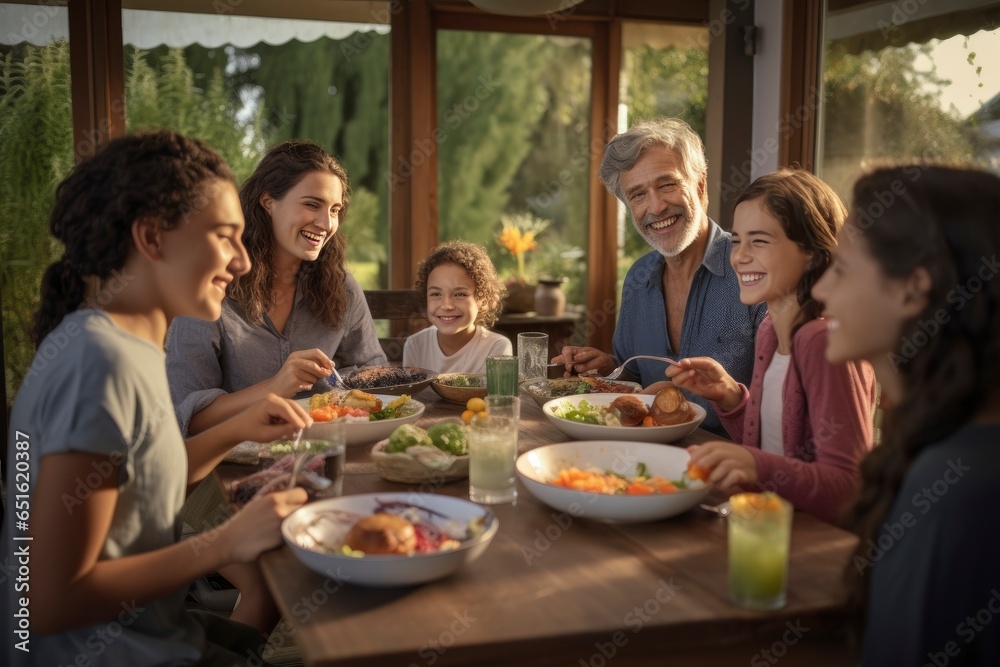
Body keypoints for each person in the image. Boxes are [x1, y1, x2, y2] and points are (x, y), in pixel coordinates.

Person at [1, 130, 310, 667]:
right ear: (152, 238)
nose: (243, 262)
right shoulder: (99, 362)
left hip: (161, 634)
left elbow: (139, 481)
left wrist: (237, 429)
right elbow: (45, 601)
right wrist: (223, 544)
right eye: (224, 236)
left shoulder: (125, 343)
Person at [810, 164, 1000, 665]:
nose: (821, 290)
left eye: (843, 269)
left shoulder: (953, 489)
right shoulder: (953, 449)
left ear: (913, 289)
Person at [665, 169, 876, 523]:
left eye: (759, 241)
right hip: (767, 524)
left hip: (811, 543)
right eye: (736, 241)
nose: (739, 257)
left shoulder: (821, 340)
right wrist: (730, 397)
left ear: (812, 251)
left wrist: (755, 465)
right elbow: (779, 443)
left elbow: (849, 488)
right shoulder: (769, 331)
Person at [553, 118, 766, 434]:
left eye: (667, 184)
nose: (656, 206)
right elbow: (635, 377)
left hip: (733, 465)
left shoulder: (751, 270)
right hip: (646, 460)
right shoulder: (638, 278)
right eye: (637, 195)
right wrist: (608, 368)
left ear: (701, 185)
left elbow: (782, 406)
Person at [166, 140, 387, 436]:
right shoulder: (210, 289)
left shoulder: (341, 286)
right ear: (268, 201)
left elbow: (375, 378)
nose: (326, 223)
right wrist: (275, 387)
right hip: (235, 464)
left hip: (330, 450)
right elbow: (189, 419)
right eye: (312, 204)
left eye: (334, 210)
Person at [403, 240, 512, 372]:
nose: (447, 306)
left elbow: (498, 393)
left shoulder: (496, 348)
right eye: (436, 294)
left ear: (482, 300)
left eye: (460, 294)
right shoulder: (415, 345)